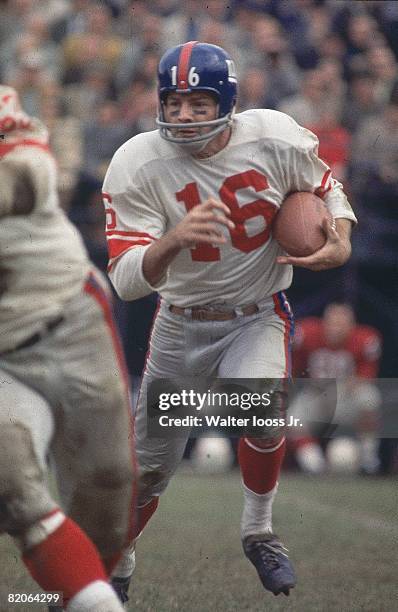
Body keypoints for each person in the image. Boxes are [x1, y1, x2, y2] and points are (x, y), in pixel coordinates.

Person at [102, 42, 357, 601]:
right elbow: (124, 280)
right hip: (179, 322)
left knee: (263, 408)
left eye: (198, 102)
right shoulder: (136, 161)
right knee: (149, 470)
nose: (184, 115)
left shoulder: (274, 136)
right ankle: (118, 565)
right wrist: (172, 241)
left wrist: (339, 238)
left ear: (228, 102)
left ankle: (258, 529)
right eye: (174, 103)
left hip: (256, 312)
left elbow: (325, 189)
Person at [0, 85, 135, 612]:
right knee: (14, 487)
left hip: (70, 324)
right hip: (4, 360)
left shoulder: (19, 145)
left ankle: (77, 592)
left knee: (108, 491)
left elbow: (27, 173)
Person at [290, 303, 382, 474]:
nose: (336, 328)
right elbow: (292, 365)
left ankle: (369, 460)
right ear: (324, 322)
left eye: (342, 324)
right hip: (316, 395)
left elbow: (366, 376)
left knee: (370, 398)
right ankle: (315, 466)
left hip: (346, 395)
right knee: (293, 418)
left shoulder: (365, 339)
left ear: (352, 326)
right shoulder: (307, 333)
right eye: (332, 322)